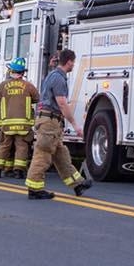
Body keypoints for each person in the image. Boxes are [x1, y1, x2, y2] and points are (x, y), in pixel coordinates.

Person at [25, 49, 92, 199]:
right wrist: (75, 125)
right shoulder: (58, 79)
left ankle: (77, 184)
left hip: (52, 122)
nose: (74, 65)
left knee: (61, 154)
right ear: (69, 62)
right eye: (73, 62)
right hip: (50, 122)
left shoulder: (54, 76)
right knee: (43, 155)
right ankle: (34, 189)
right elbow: (62, 103)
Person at [0, 57, 40, 179]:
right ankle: (18, 171)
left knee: (4, 145)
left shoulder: (2, 86)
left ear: (11, 71)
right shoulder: (28, 86)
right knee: (21, 146)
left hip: (6, 124)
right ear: (23, 72)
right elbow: (37, 98)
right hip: (23, 124)